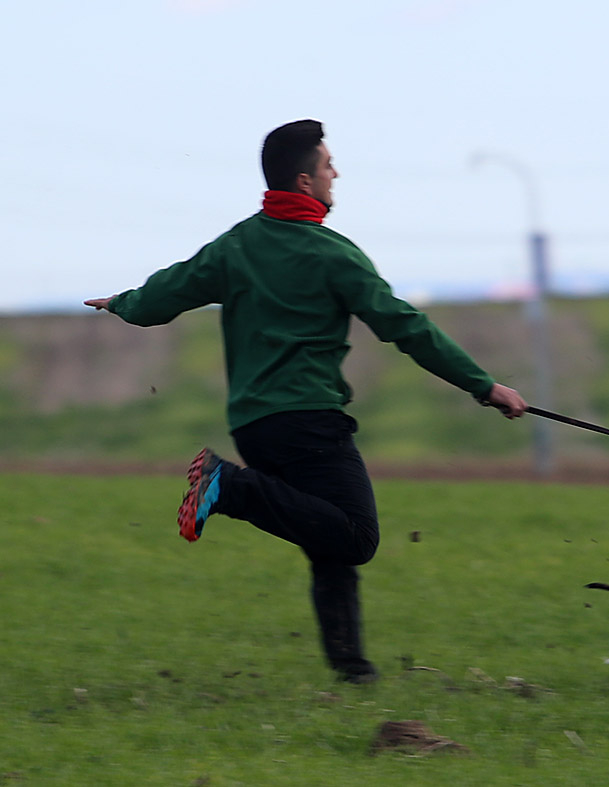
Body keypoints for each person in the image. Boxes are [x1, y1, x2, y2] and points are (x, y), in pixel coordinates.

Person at [85, 119, 528, 684]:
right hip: (308, 421)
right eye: (327, 166)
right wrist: (483, 386)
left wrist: (123, 302)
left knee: (326, 537)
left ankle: (353, 671)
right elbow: (405, 326)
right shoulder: (332, 254)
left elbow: (167, 294)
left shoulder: (236, 246)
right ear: (304, 180)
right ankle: (227, 485)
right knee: (356, 536)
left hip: (254, 424)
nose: (335, 173)